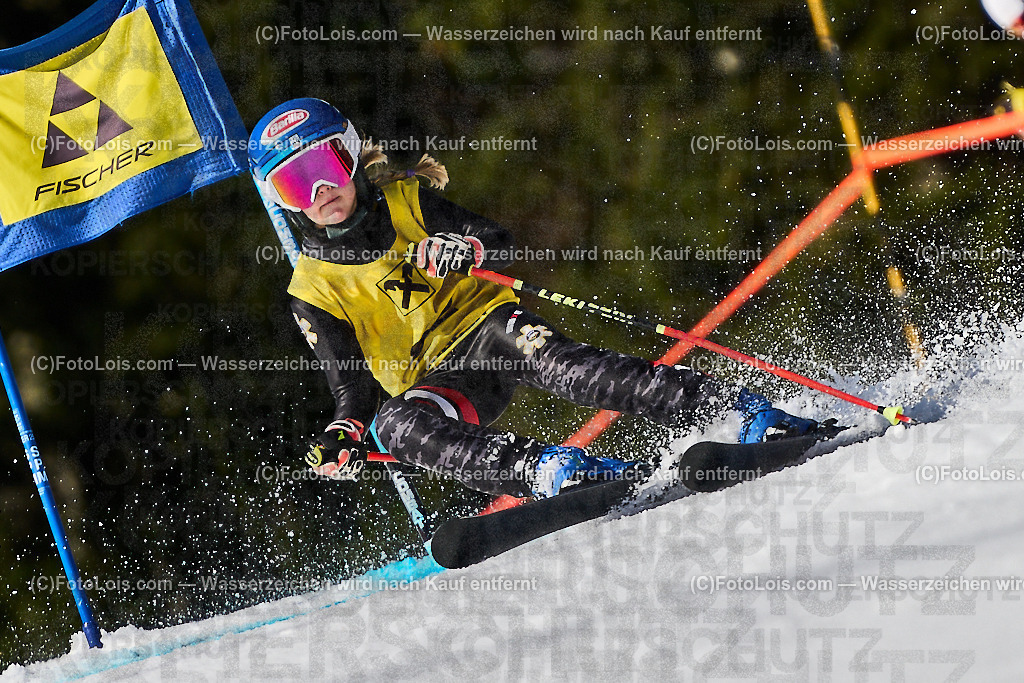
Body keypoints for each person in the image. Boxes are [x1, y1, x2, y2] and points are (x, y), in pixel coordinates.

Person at [248, 98, 824, 500]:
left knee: (563, 364)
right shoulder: (313, 291)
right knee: (395, 426)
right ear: (285, 202)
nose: (321, 191)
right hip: (438, 384)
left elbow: (498, 241)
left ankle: (737, 413)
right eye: (297, 183)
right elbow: (351, 388)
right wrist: (345, 433)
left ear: (350, 156)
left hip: (488, 329)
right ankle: (548, 472)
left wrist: (463, 247)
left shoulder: (409, 202)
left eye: (324, 166)